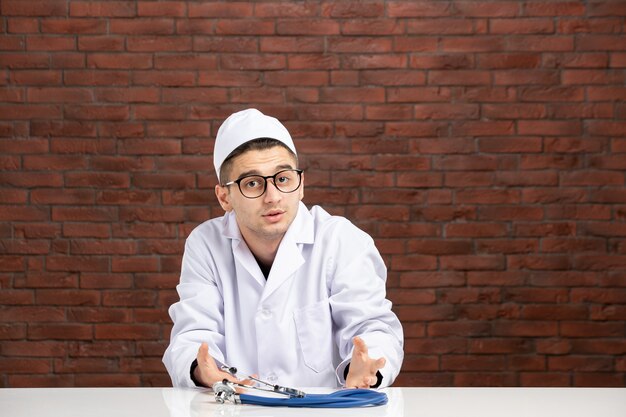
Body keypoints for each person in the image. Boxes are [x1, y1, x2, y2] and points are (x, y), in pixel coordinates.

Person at [163, 108, 404, 390]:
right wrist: (201, 370)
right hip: (238, 409)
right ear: (224, 197)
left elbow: (372, 328)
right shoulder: (206, 244)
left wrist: (365, 369)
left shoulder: (341, 240)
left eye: (283, 179)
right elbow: (193, 334)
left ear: (301, 185)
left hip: (322, 412)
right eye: (252, 183)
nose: (273, 197)